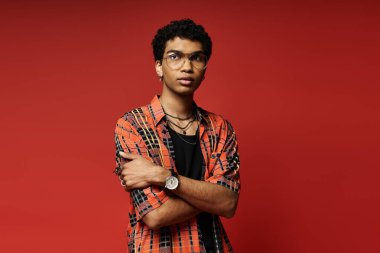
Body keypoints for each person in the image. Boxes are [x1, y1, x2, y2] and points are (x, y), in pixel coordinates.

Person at [114, 18, 241, 253]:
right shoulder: (132, 126)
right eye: (175, 56)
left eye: (196, 58)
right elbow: (155, 214)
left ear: (205, 68)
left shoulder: (220, 128)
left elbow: (229, 203)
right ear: (159, 66)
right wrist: (211, 196)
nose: (187, 67)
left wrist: (163, 176)